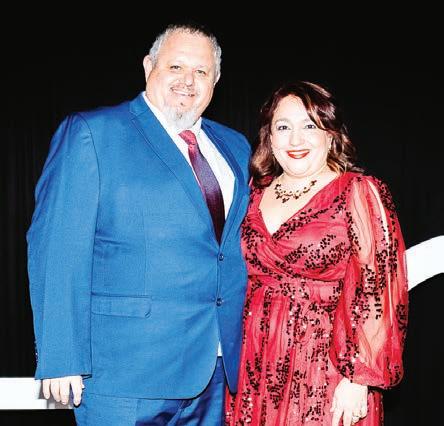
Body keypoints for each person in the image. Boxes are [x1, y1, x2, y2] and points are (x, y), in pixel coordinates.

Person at [27, 23, 251, 425]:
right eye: (176, 66)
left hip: (216, 372)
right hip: (123, 374)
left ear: (216, 81)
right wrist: (61, 356)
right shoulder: (93, 134)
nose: (188, 81)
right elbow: (57, 247)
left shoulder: (234, 146)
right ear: (149, 66)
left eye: (201, 71)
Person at [225, 81, 408, 426]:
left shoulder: (359, 191)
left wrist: (358, 378)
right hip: (255, 360)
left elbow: (379, 288)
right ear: (269, 138)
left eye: (309, 126)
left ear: (330, 134)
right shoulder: (252, 192)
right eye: (283, 127)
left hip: (326, 366)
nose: (296, 140)